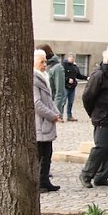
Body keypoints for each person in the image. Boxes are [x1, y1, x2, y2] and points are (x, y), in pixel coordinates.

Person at [78, 48, 108, 188]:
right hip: (103, 118)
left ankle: (101, 176)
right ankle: (86, 174)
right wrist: (95, 114)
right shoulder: (99, 75)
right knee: (101, 147)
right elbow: (87, 97)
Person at [33, 50, 61, 192]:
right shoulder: (34, 78)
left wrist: (56, 112)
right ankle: (39, 182)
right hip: (39, 123)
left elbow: (49, 100)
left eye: (45, 61)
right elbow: (37, 104)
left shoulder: (43, 76)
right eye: (41, 62)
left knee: (47, 154)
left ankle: (45, 180)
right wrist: (52, 115)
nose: (45, 64)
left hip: (46, 122)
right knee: (40, 156)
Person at [37, 44, 66, 122]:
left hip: (51, 107)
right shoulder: (42, 67)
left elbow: (59, 92)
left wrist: (56, 113)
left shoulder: (57, 68)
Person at [62, 52, 87, 121]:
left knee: (70, 102)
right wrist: (67, 79)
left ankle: (69, 116)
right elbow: (61, 76)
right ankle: (60, 116)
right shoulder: (63, 65)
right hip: (65, 87)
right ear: (68, 58)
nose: (72, 59)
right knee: (63, 102)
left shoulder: (74, 67)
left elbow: (79, 75)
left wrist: (87, 78)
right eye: (71, 57)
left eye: (73, 58)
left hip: (72, 87)